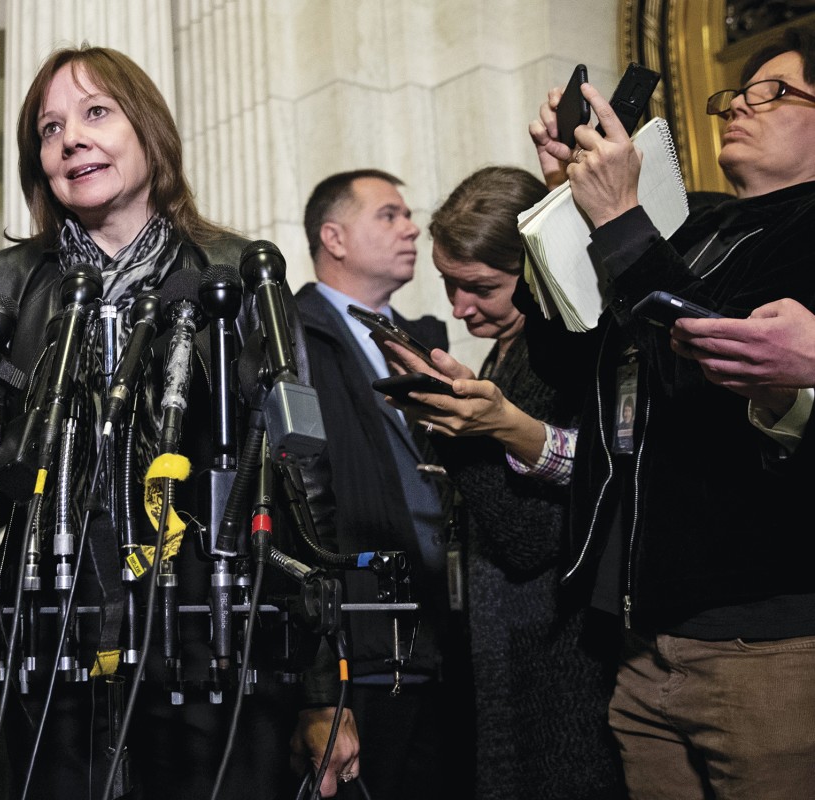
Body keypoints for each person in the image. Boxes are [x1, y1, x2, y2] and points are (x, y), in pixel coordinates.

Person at [0, 45, 356, 799]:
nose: (69, 138)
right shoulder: (4, 282)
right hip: (48, 642)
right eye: (48, 129)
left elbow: (303, 478)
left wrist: (320, 686)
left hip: (209, 636)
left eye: (95, 113)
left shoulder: (239, 272)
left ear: (150, 133)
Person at [524, 25, 815, 797]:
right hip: (644, 637)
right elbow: (563, 360)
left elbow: (706, 356)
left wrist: (621, 218)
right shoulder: (701, 225)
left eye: (773, 93)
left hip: (766, 637)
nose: (737, 108)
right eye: (734, 95)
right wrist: (568, 205)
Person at [383, 165, 623, 799]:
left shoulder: (565, 353)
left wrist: (460, 435)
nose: (459, 307)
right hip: (509, 639)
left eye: (481, 287)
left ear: (536, 269)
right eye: (448, 285)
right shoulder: (506, 350)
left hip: (559, 652)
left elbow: (531, 538)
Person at [294, 168, 469, 799]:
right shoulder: (292, 333)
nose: (412, 227)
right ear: (334, 237)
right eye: (389, 215)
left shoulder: (427, 338)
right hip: (361, 641)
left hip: (445, 634)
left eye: (408, 214)